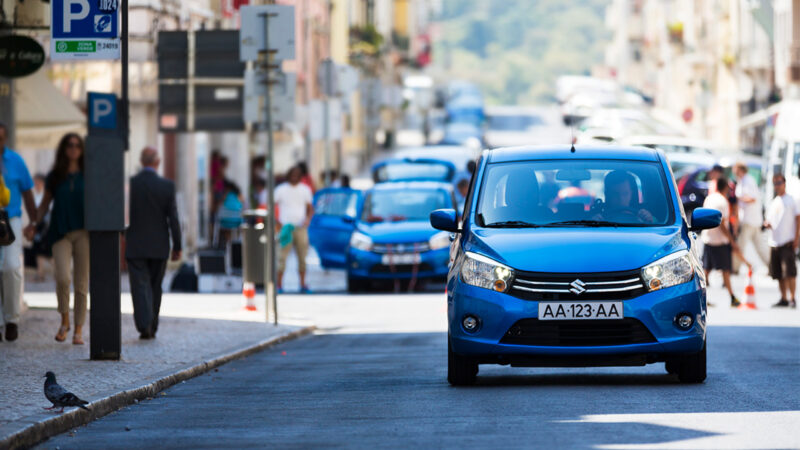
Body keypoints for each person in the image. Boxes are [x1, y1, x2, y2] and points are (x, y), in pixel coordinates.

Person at [30, 134, 89, 344]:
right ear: (64, 149)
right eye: (70, 145)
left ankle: (79, 330)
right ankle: (65, 321)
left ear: (82, 150)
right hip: (60, 231)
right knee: (63, 278)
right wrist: (33, 223)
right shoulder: (55, 176)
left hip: (84, 232)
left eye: (77, 146)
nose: (73, 149)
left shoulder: (88, 173)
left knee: (81, 284)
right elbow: (45, 204)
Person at [126, 147, 182, 339]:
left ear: (142, 162)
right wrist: (178, 246)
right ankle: (152, 325)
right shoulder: (166, 186)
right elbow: (173, 218)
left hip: (135, 245)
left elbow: (123, 214)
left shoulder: (131, 184)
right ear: (157, 163)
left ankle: (144, 324)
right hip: (159, 245)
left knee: (139, 287)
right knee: (155, 287)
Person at [0, 121, 38, 342]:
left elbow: (28, 192)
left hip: (10, 219)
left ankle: (12, 319)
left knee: (12, 266)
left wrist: (33, 222)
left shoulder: (16, 161)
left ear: (5, 139)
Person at [702, 177, 750, 307]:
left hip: (708, 238)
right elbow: (722, 224)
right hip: (719, 241)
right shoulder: (723, 201)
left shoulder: (709, 198)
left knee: (705, 270)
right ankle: (732, 297)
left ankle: (701, 298)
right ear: (726, 188)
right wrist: (731, 240)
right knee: (725, 270)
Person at [275, 165, 313, 293]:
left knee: (302, 257)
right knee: (282, 257)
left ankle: (302, 284)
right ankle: (279, 285)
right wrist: (277, 222)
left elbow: (309, 207)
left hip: (300, 227)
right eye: (292, 175)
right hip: (285, 227)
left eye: (297, 175)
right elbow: (273, 206)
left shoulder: (305, 190)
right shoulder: (281, 190)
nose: (294, 177)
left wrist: (307, 219)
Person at [764, 174, 800, 308]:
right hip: (775, 241)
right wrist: (767, 224)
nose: (777, 186)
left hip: (787, 241)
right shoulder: (774, 202)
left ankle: (792, 298)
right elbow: (770, 219)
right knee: (778, 273)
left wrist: (797, 238)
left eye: (779, 183)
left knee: (790, 272)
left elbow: (798, 219)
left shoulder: (792, 200)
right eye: (775, 183)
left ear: (784, 183)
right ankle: (783, 298)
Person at [733, 162, 769, 271]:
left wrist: (739, 199)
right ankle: (771, 267)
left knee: (740, 245)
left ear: (740, 170)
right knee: (759, 247)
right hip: (752, 220)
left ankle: (734, 268)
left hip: (749, 220)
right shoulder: (743, 181)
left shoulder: (747, 181)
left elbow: (752, 198)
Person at [30, 174, 51, 282]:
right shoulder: (35, 196)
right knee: (39, 252)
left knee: (47, 253)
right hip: (37, 226)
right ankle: (40, 273)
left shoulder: (46, 195)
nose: (36, 185)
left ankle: (55, 273)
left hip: (45, 227)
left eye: (38, 182)